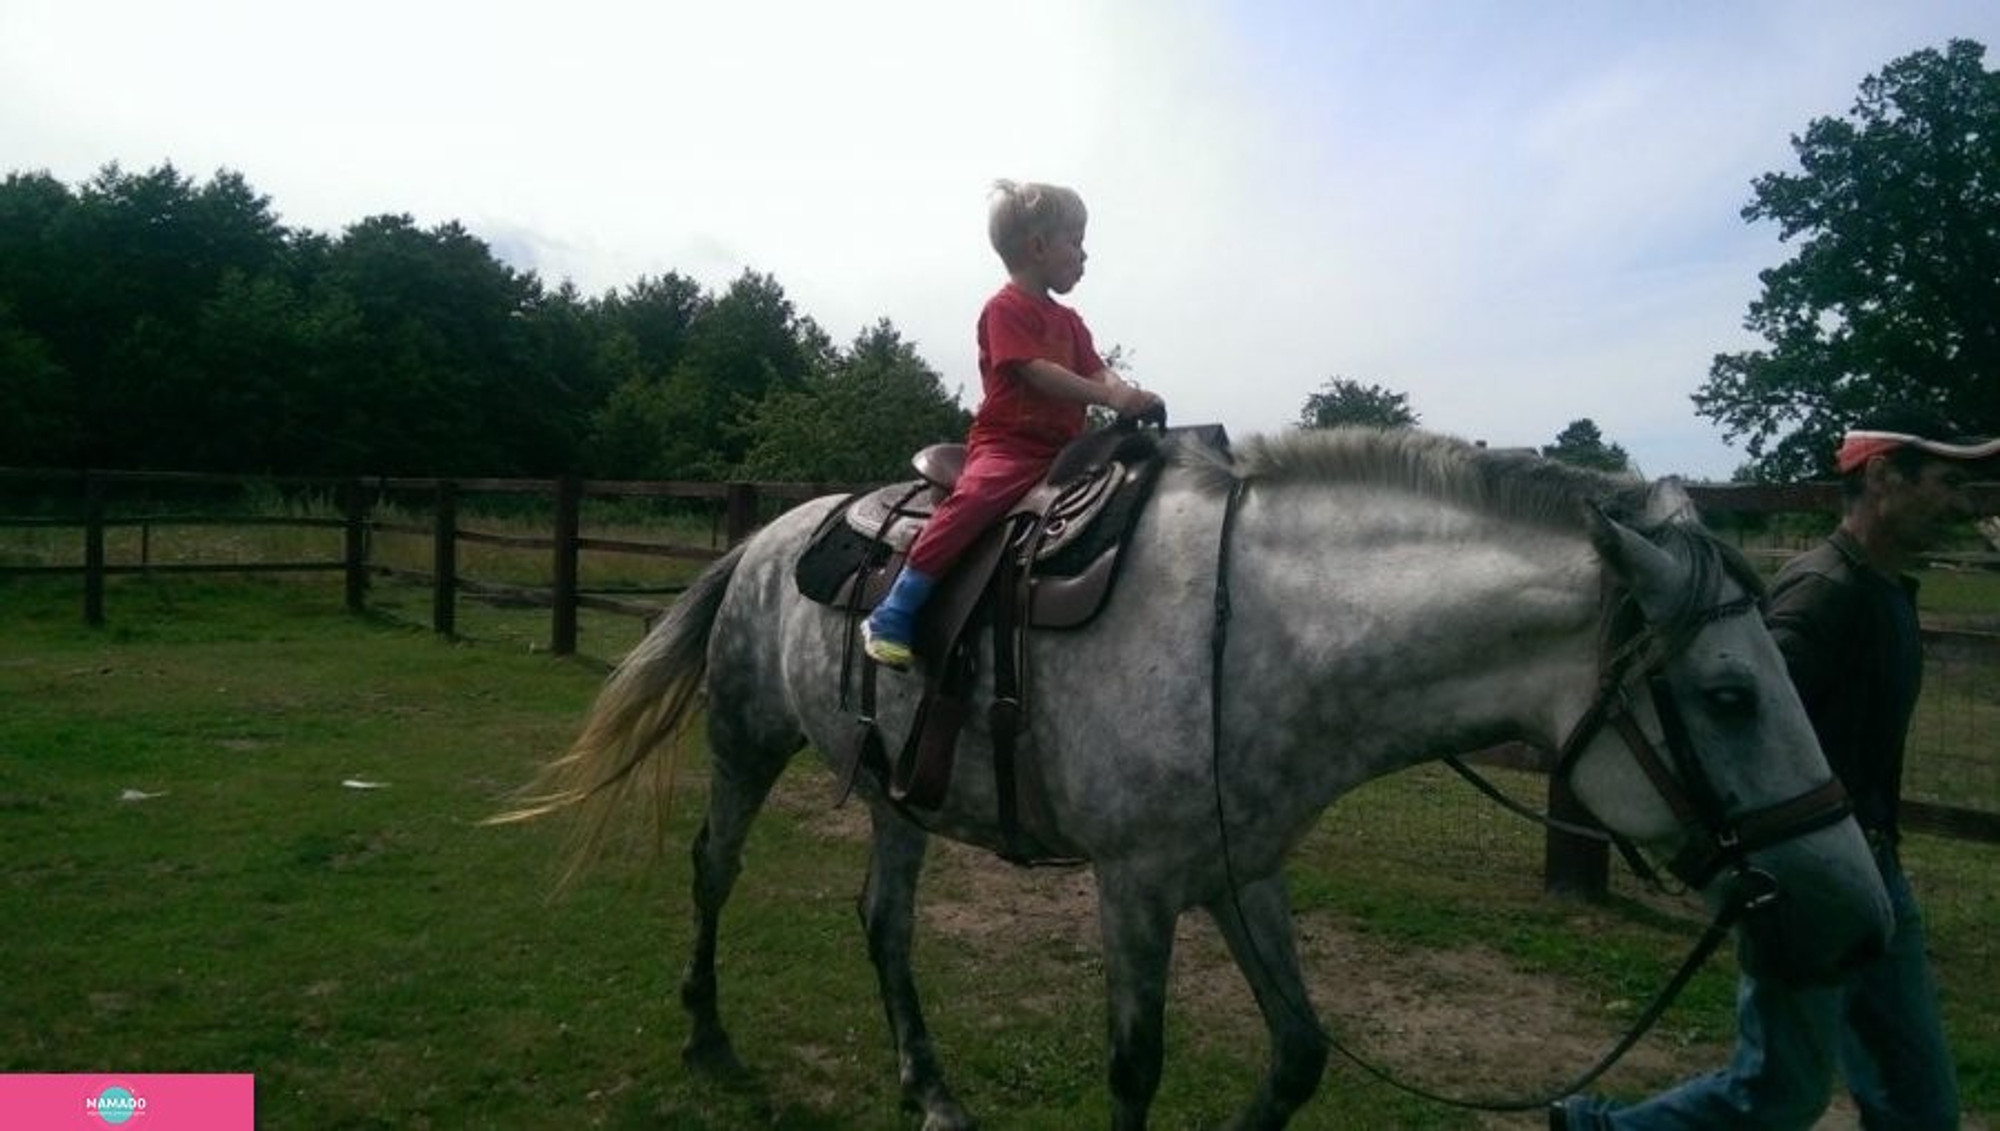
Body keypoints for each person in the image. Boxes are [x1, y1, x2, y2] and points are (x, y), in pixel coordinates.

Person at [1553, 409, 1994, 1130]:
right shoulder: (1824, 595)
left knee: (1920, 1106)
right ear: (1882, 475)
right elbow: (1738, 741)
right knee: (1778, 1092)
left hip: (1875, 867)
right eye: (1947, 482)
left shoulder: (1881, 588)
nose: (1963, 503)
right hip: (1809, 876)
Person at [860, 180, 1163, 670]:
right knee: (976, 501)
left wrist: (1126, 392)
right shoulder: (1004, 309)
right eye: (1076, 241)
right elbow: (1037, 373)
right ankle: (896, 609)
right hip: (1010, 447)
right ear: (1038, 246)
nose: (1084, 255)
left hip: (1064, 449)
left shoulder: (1071, 322)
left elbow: (1095, 368)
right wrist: (1109, 395)